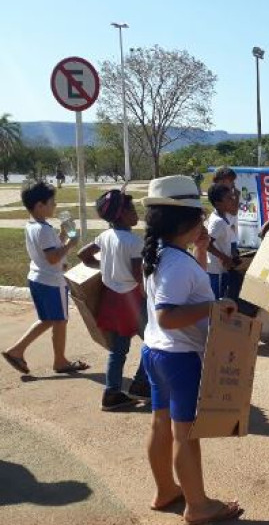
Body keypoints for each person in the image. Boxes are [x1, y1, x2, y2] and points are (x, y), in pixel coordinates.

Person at [140, 175, 243, 524]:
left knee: (160, 425)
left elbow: (184, 287)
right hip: (179, 357)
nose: (203, 221)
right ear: (184, 221)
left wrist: (199, 249)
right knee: (185, 435)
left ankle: (166, 489)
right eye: (198, 216)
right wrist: (215, 308)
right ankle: (198, 505)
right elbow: (168, 315)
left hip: (155, 352)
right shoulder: (175, 263)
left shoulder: (160, 254)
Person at [2, 181, 89, 376]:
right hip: (51, 281)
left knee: (50, 319)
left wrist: (61, 235)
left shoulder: (34, 225)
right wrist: (71, 244)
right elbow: (52, 258)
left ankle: (19, 351)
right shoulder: (43, 229)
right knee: (59, 320)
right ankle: (59, 361)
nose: (55, 206)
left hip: (38, 278)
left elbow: (47, 250)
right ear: (40, 206)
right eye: (52, 202)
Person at [78, 189, 151, 411]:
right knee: (155, 340)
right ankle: (140, 383)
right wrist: (150, 293)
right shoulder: (133, 242)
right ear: (120, 215)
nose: (135, 213)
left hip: (112, 300)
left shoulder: (105, 236)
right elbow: (138, 275)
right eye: (131, 209)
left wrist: (105, 267)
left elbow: (83, 255)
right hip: (132, 300)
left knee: (117, 350)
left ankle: (111, 393)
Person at [205, 184, 240, 299]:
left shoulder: (224, 216)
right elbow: (207, 244)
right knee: (217, 301)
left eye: (232, 197)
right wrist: (224, 258)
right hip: (216, 270)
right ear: (218, 203)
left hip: (223, 268)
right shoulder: (218, 222)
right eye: (229, 198)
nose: (232, 200)